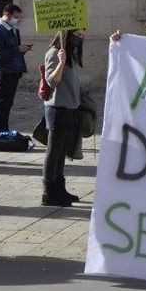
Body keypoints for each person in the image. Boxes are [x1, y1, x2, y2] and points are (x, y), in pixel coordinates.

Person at [41, 29, 85, 207]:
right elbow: (52, 81)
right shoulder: (54, 53)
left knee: (61, 153)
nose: (80, 38)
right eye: (77, 34)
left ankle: (59, 188)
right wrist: (60, 62)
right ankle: (48, 192)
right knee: (53, 153)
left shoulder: (71, 54)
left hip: (70, 109)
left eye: (82, 35)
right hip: (57, 109)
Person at [0, 4, 31, 133]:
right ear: (7, 14)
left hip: (14, 70)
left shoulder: (12, 29)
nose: (17, 20)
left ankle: (4, 129)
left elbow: (12, 49)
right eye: (15, 17)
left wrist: (22, 50)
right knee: (4, 103)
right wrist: (17, 49)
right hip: (4, 71)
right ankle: (1, 131)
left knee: (8, 103)